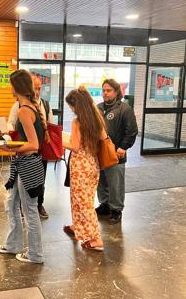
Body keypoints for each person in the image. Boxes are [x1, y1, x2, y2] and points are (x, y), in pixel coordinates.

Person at [0, 69, 47, 264]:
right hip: (26, 164)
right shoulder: (29, 108)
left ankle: (35, 254)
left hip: (28, 165)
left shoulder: (24, 111)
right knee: (11, 204)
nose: (10, 88)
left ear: (16, 87)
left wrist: (10, 149)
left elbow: (33, 144)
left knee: (30, 210)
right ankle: (13, 245)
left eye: (11, 84)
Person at [62, 86, 106, 251]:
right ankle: (78, 228)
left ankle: (96, 240)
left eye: (71, 106)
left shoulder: (77, 121)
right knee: (85, 200)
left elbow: (74, 146)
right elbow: (103, 138)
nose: (71, 109)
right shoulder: (96, 118)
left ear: (77, 105)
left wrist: (57, 140)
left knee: (83, 203)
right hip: (93, 164)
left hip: (80, 166)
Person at [6, 76, 53, 219]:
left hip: (31, 157)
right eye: (35, 88)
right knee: (22, 204)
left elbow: (35, 141)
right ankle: (14, 241)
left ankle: (39, 204)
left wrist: (10, 148)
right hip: (31, 156)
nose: (37, 91)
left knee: (30, 208)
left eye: (39, 88)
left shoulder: (28, 109)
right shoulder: (22, 107)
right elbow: (11, 124)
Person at [95, 79, 138, 224]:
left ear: (116, 92)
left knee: (115, 183)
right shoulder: (98, 108)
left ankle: (116, 209)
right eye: (103, 90)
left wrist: (123, 147)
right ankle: (105, 204)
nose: (105, 93)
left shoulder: (124, 109)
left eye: (108, 90)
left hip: (116, 154)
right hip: (99, 153)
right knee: (101, 182)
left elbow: (132, 131)